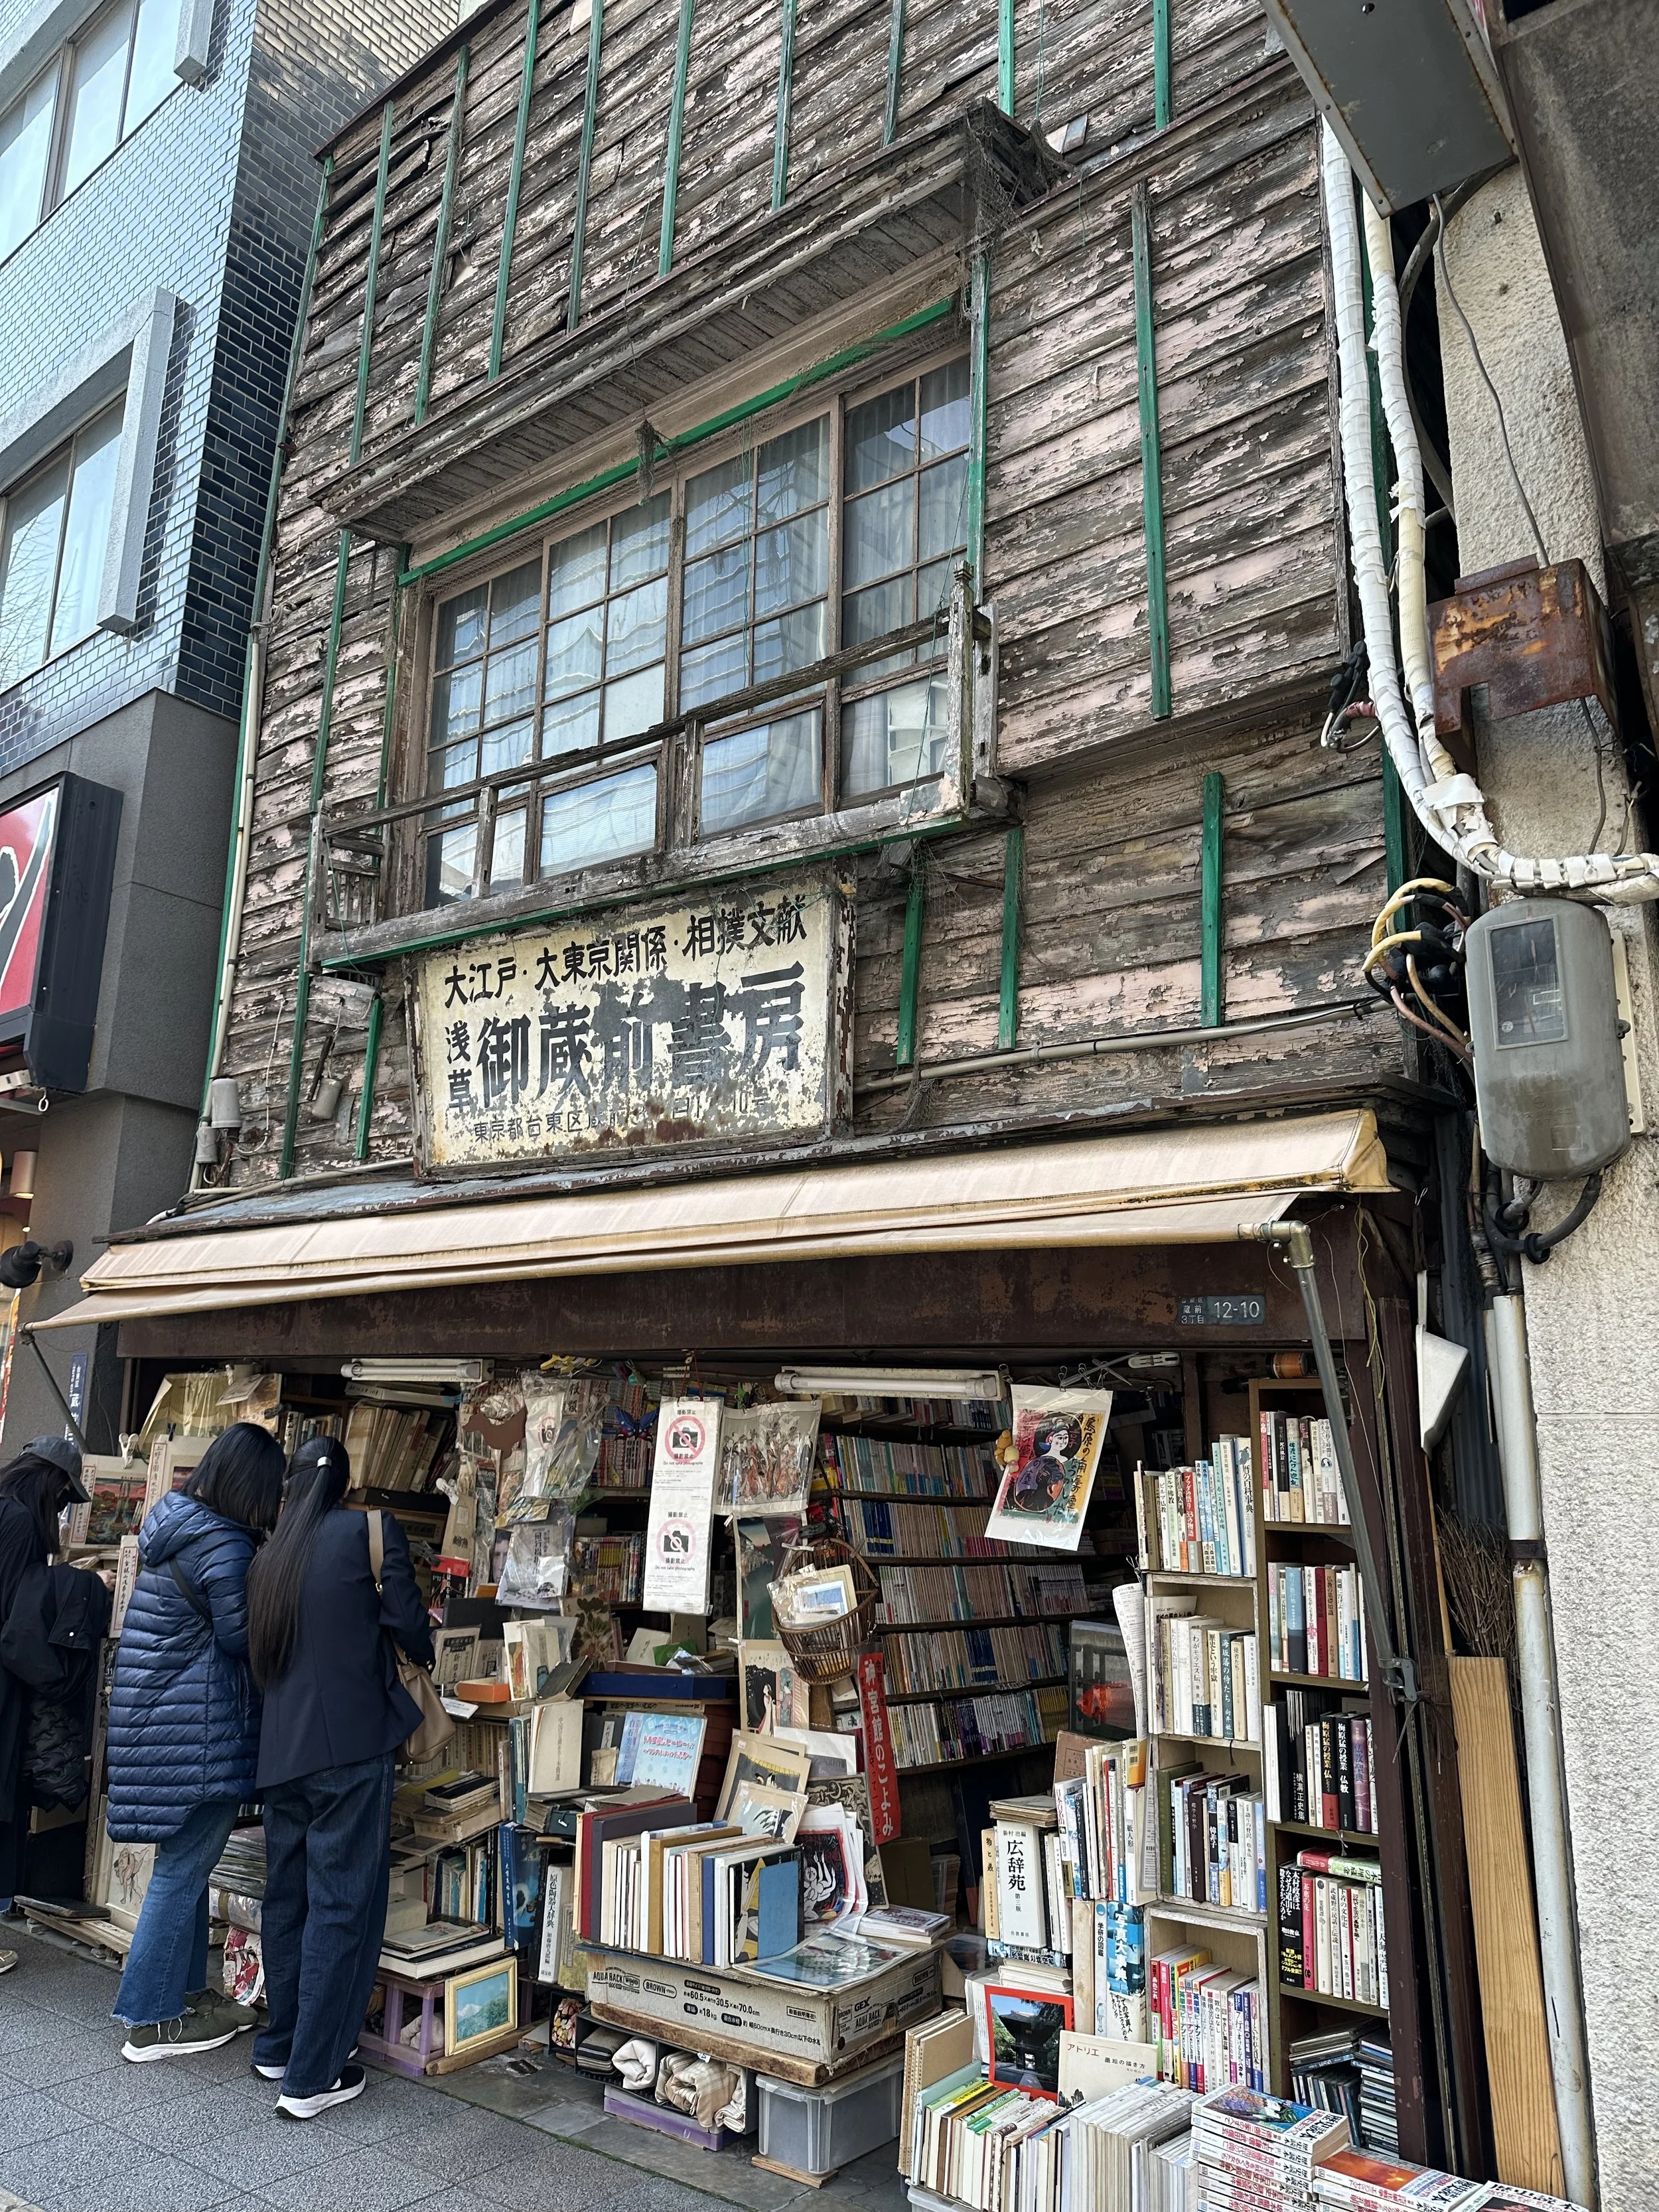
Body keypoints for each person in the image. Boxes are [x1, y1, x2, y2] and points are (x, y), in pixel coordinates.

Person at [247, 1436, 433, 2119]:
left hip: (280, 1754)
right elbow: (412, 1626)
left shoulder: (269, 1554)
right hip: (350, 1747)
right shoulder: (372, 1532)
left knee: (288, 1900)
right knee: (342, 1905)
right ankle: (313, 2075)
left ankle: (280, 2044)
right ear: (348, 1482)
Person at [106, 1422, 286, 2058]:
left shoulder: (174, 1524)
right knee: (184, 1870)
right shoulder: (226, 1545)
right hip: (197, 1735)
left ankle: (180, 1995)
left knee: (181, 1866)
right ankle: (150, 2018)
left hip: (159, 1730)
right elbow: (243, 1640)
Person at [0, 1437, 96, 1976]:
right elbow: (16, 1620)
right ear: (54, 1485)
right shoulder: (17, 1523)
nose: (61, 1511)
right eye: (63, 1500)